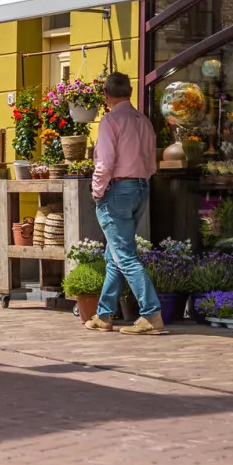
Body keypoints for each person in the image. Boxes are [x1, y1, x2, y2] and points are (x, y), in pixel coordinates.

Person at [86, 72, 164, 335]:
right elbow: (152, 163)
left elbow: (105, 162)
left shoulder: (110, 120)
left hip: (118, 189)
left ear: (106, 94)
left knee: (125, 256)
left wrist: (97, 191)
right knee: (115, 255)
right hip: (141, 187)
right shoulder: (143, 120)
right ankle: (104, 315)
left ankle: (151, 314)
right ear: (129, 92)